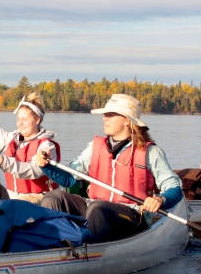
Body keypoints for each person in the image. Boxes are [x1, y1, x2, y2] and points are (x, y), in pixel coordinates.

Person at [33, 94, 183, 243]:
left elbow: (175, 188)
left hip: (132, 216)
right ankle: (50, 247)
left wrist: (160, 199)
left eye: (110, 115)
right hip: (95, 208)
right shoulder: (95, 148)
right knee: (54, 197)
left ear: (127, 120)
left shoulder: (151, 152)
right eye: (105, 115)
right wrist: (45, 165)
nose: (104, 118)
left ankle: (92, 254)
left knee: (98, 209)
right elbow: (68, 179)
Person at [0, 92, 60, 204]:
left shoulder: (46, 146)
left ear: (37, 120)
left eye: (25, 119)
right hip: (14, 196)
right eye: (18, 119)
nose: (20, 123)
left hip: (41, 198)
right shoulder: (12, 139)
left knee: (14, 204)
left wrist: (6, 162)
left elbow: (35, 170)